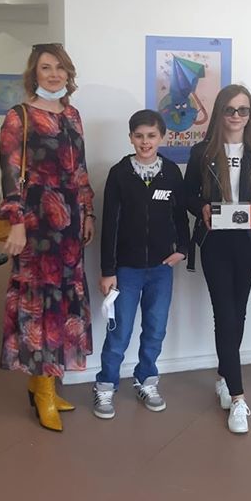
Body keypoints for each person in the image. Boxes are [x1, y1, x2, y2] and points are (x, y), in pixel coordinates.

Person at [0, 43, 95, 433]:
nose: (54, 74)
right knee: (38, 306)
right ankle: (42, 391)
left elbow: (80, 169)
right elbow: (10, 172)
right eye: (46, 67)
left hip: (68, 225)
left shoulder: (72, 115)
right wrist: (16, 222)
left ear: (68, 74)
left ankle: (46, 383)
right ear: (33, 74)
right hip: (36, 223)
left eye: (60, 68)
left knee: (63, 304)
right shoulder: (18, 117)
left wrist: (87, 211)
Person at [184, 85, 251, 434]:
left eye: (243, 110)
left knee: (239, 312)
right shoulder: (202, 152)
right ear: (219, 112)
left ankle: (223, 376)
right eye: (230, 110)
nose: (236, 116)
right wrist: (202, 208)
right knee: (225, 314)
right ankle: (237, 397)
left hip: (247, 242)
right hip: (215, 243)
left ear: (250, 115)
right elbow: (187, 196)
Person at [92, 109, 190, 420]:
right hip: (126, 271)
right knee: (119, 332)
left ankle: (146, 379)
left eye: (151, 136)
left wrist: (183, 248)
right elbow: (110, 224)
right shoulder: (120, 174)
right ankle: (105, 384)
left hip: (161, 269)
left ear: (162, 137)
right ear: (130, 137)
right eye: (139, 136)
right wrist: (108, 270)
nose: (145, 142)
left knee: (155, 329)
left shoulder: (171, 172)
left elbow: (179, 215)